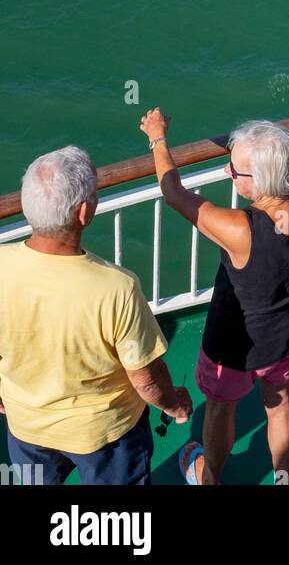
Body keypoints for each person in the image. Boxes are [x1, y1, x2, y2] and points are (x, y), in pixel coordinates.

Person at [139, 109, 289, 486]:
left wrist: (158, 138)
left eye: (234, 170)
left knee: (221, 410)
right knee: (281, 404)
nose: (226, 173)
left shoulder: (241, 228)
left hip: (232, 344)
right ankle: (285, 479)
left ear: (262, 178)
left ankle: (210, 478)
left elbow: (173, 192)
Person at [0, 146, 191, 485]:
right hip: (105, 436)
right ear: (85, 212)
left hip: (26, 426)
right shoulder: (117, 288)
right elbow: (145, 380)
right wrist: (174, 404)